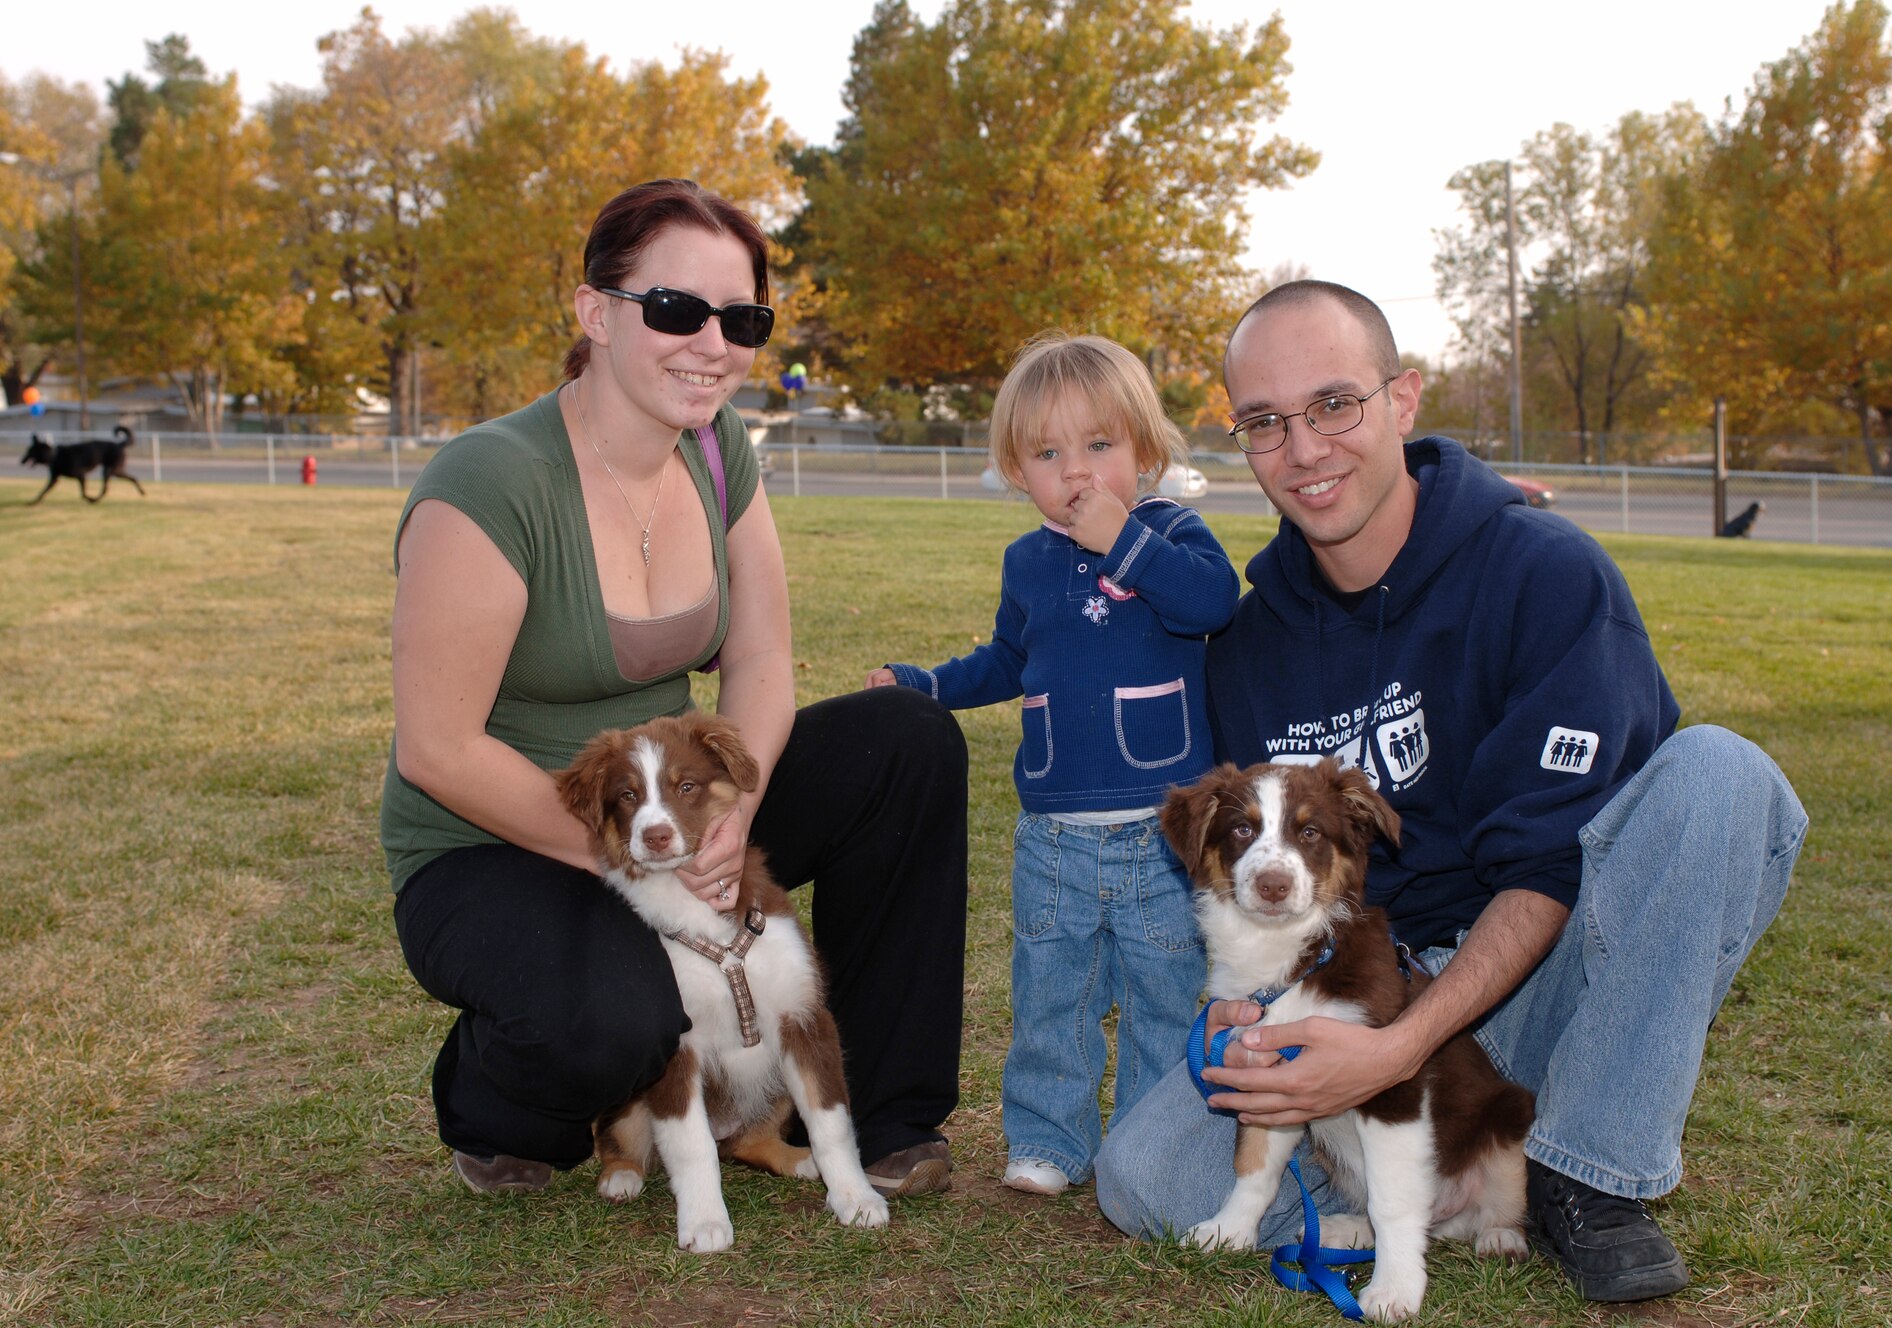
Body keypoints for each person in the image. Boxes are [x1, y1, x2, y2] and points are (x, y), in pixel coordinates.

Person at [1094, 281, 1807, 1304]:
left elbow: (1546, 864)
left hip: (1536, 976)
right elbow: (1255, 872)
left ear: (1401, 399)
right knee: (1147, 1181)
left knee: (1718, 771)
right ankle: (1400, 1177)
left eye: (1333, 403)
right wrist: (1285, 1034)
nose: (1303, 449)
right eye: (1264, 422)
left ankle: (1589, 1168)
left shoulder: (1544, 571)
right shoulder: (1248, 644)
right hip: (1352, 975)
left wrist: (1395, 1046)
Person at [383, 179, 967, 1200]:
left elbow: (759, 660)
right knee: (618, 1021)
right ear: (595, 312)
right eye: (674, 309)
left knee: (904, 743)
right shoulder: (489, 481)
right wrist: (640, 863)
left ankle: (883, 1114)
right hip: (497, 839)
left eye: (739, 319)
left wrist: (730, 810)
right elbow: (436, 745)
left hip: (673, 806)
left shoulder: (717, 445)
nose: (711, 342)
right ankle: (492, 1088)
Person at [867, 333, 1240, 1196]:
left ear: (1145, 452)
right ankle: (1049, 1140)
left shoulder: (1172, 533)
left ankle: (1146, 1146)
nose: (1077, 473)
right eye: (1048, 453)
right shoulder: (1027, 562)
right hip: (1053, 834)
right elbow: (1006, 660)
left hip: (1162, 833)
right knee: (1051, 994)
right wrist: (924, 685)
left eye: (1100, 447)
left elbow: (1211, 604)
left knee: (1162, 990)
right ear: (1016, 470)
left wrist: (1126, 544)